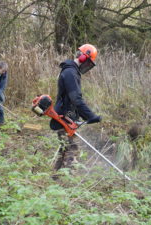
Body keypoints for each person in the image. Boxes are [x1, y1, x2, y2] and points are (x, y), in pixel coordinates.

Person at [50, 44, 102, 172]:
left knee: (65, 148)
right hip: (64, 116)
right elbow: (75, 98)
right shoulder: (70, 73)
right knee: (71, 149)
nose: (87, 66)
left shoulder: (71, 71)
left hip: (67, 114)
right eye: (88, 62)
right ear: (84, 58)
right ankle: (69, 182)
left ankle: (55, 176)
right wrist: (89, 116)